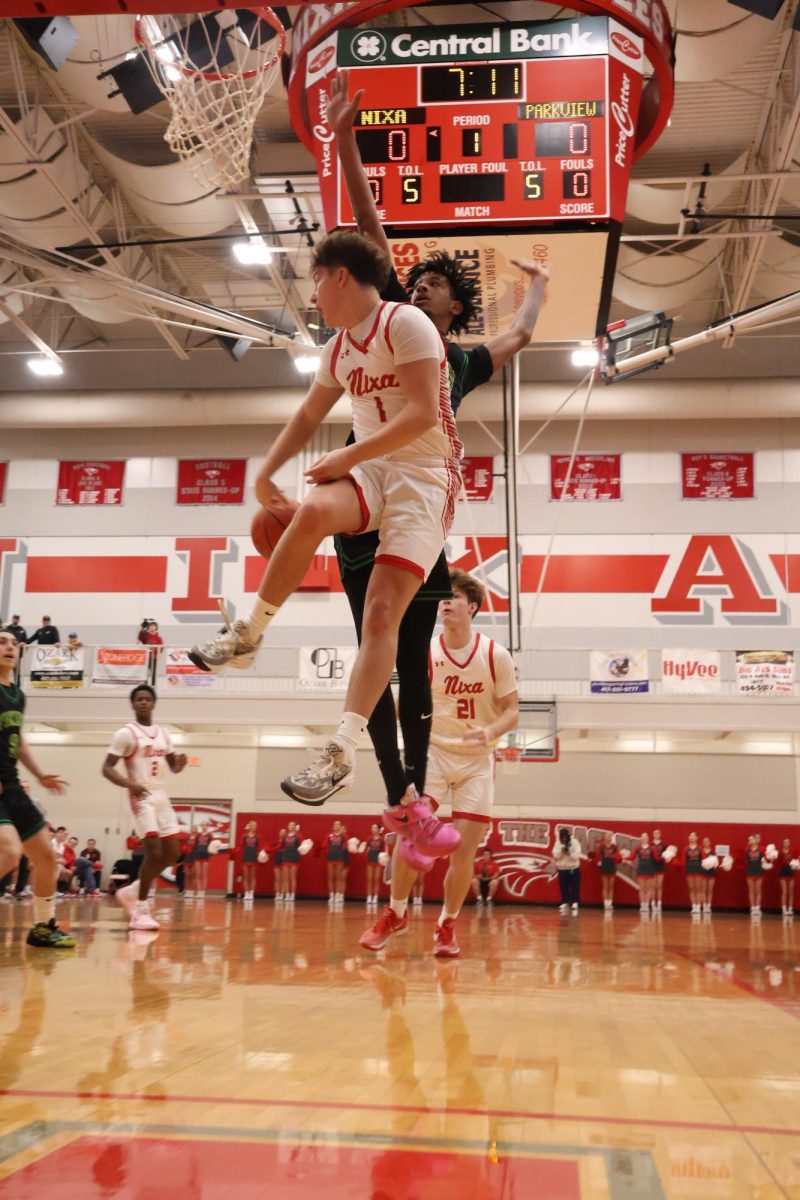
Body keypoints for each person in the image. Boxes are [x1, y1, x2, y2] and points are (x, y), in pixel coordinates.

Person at [189, 231, 458, 865]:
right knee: (310, 510)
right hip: (374, 470)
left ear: (339, 277)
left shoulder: (408, 323)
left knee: (383, 618)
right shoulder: (339, 349)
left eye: (313, 281)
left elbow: (421, 414)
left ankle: (338, 752)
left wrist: (346, 455)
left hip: (425, 480)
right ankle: (250, 632)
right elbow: (309, 417)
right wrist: (267, 469)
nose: (311, 295)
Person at [324, 69, 549, 830]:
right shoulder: (383, 318)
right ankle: (397, 796)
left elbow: (517, 336)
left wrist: (540, 287)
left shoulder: (456, 362)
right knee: (372, 651)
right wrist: (348, 139)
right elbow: (369, 223)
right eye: (410, 278)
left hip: (418, 505)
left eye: (432, 283)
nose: (416, 284)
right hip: (365, 492)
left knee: (410, 655)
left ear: (455, 306)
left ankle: (412, 797)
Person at [360, 570, 518, 956]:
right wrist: (372, 719)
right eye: (442, 598)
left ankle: (446, 925)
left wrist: (490, 731)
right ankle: (395, 913)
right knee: (409, 834)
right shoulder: (425, 651)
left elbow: (512, 711)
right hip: (431, 755)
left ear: (473, 607)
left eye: (454, 598)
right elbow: (407, 705)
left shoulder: (494, 654)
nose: (445, 603)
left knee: (463, 851)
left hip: (477, 761)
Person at [0, 629, 75, 947]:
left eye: (13, 643)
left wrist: (41, 775)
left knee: (46, 858)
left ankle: (43, 927)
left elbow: (20, 741)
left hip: (12, 785)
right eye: (2, 642)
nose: (9, 647)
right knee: (9, 852)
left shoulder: (18, 694)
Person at [101, 683, 187, 930]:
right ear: (133, 704)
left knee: (173, 852)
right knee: (154, 851)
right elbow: (106, 768)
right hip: (140, 794)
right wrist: (131, 784)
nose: (142, 702)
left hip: (161, 793)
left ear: (153, 703)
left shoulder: (163, 733)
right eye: (138, 699)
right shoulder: (126, 733)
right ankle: (141, 909)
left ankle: (135, 888)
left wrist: (180, 763)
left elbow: (173, 767)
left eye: (147, 699)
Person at [553, 826, 583, 916]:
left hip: (573, 868)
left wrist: (569, 853)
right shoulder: (558, 843)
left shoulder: (575, 842)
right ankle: (564, 902)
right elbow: (555, 857)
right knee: (563, 886)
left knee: (575, 886)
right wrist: (561, 853)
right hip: (562, 868)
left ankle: (575, 902)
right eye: (562, 837)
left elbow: (577, 856)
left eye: (565, 837)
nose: (564, 839)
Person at [593, 833, 621, 912]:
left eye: (609, 836)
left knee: (611, 886)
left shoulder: (614, 846)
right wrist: (598, 862)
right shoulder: (601, 846)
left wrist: (619, 859)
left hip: (612, 866)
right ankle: (605, 903)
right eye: (607, 836)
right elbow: (598, 855)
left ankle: (610, 903)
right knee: (605, 886)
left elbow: (617, 856)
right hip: (604, 866)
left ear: (611, 837)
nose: (608, 837)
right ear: (604, 837)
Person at [326, 820, 348, 907]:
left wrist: (344, 834)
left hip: (340, 858)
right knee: (331, 876)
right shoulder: (329, 835)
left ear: (340, 826)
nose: (336, 825)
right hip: (331, 858)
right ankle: (332, 895)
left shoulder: (343, 835)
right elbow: (325, 845)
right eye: (335, 824)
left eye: (338, 824)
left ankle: (338, 894)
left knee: (339, 877)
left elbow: (346, 845)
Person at [744, 833, 765, 918]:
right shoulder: (747, 850)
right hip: (750, 872)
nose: (751, 841)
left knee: (758, 891)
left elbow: (766, 860)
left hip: (759, 871)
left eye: (752, 839)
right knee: (752, 891)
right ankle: (752, 908)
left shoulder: (761, 850)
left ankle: (758, 907)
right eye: (750, 840)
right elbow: (743, 859)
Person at [684, 831, 704, 915]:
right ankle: (694, 906)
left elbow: (703, 859)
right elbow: (684, 860)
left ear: (696, 838)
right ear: (689, 838)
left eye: (693, 836)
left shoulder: (700, 849)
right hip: (689, 870)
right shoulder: (686, 849)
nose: (692, 837)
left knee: (698, 888)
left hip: (698, 870)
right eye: (690, 836)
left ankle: (698, 906)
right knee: (692, 889)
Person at [365, 823, 384, 909]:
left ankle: (375, 897)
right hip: (370, 859)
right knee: (370, 879)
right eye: (372, 827)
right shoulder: (369, 839)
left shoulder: (382, 840)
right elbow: (367, 849)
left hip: (378, 860)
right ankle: (369, 897)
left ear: (378, 829)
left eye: (375, 828)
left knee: (376, 879)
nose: (373, 829)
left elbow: (384, 851)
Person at [281, 821, 301, 903]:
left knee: (292, 877)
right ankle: (287, 894)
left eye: (292, 825)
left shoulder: (298, 835)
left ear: (295, 827)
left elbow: (301, 845)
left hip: (294, 857)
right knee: (286, 877)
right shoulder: (285, 836)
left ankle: (292, 894)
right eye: (289, 825)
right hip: (286, 857)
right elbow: (281, 845)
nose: (290, 826)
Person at [240, 820, 259, 902]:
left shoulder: (257, 837)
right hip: (246, 856)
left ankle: (251, 893)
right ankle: (246, 893)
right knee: (246, 876)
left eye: (255, 825)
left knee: (252, 876)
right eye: (252, 825)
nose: (253, 827)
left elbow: (259, 847)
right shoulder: (244, 836)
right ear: (249, 826)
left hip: (253, 857)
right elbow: (240, 846)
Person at [778, 838, 796, 917]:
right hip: (783, 872)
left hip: (791, 872)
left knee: (791, 891)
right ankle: (784, 909)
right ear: (783, 843)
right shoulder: (780, 852)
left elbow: (796, 861)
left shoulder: (793, 852)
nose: (786, 843)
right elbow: (778, 862)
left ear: (789, 843)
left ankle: (790, 909)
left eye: (788, 842)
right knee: (784, 891)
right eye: (785, 842)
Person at [700, 837, 717, 916]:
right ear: (703, 843)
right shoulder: (701, 851)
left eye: (707, 841)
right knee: (703, 890)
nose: (706, 842)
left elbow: (716, 863)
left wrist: (714, 864)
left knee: (710, 890)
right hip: (703, 872)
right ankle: (704, 906)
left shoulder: (713, 852)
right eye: (705, 841)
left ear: (710, 842)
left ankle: (709, 905)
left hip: (711, 872)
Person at [651, 827, 665, 913]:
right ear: (653, 835)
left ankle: (659, 904)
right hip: (652, 867)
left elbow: (667, 854)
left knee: (659, 886)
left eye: (658, 833)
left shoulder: (663, 845)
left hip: (660, 866)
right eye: (655, 833)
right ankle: (653, 904)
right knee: (653, 886)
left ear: (660, 835)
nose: (656, 835)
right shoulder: (650, 845)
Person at [273, 827, 286, 901]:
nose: (283, 834)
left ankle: (282, 894)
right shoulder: (276, 842)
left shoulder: (287, 843)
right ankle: (277, 893)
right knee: (277, 879)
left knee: (283, 879)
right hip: (277, 861)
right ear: (279, 834)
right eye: (281, 832)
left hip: (284, 861)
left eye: (284, 833)